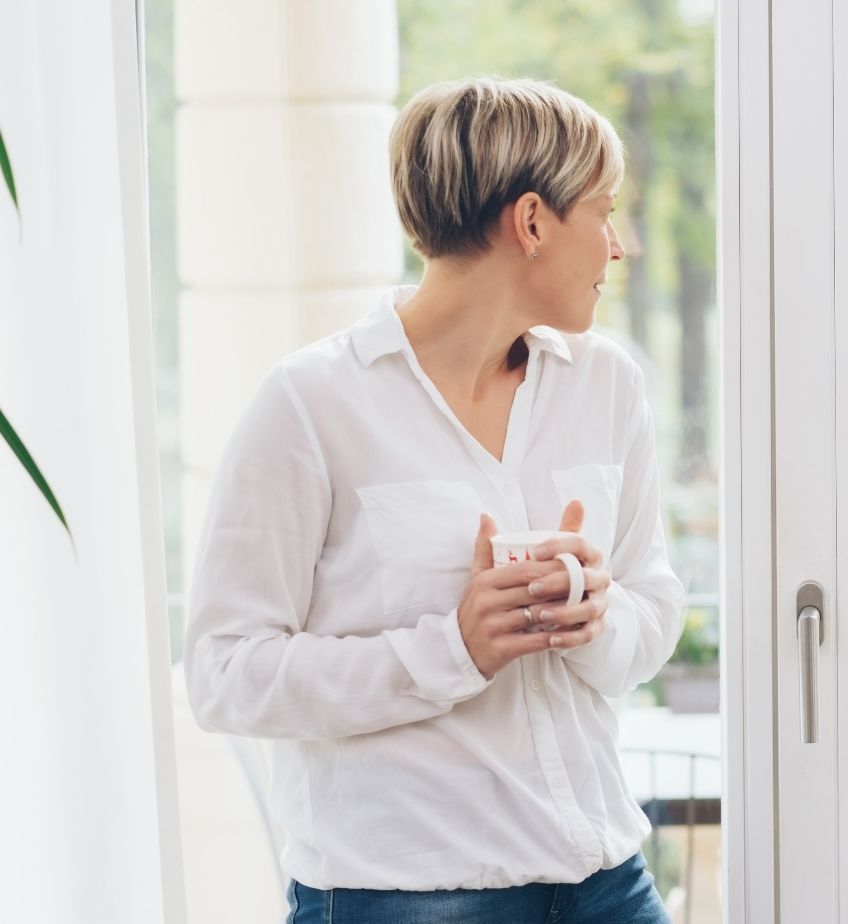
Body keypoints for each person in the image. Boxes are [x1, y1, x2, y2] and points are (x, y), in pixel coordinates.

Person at [183, 76, 685, 923]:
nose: (619, 245)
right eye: (604, 212)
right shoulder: (312, 403)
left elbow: (655, 604)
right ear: (531, 222)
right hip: (407, 898)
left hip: (606, 878)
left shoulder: (605, 386)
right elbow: (225, 675)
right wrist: (454, 648)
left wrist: (598, 618)